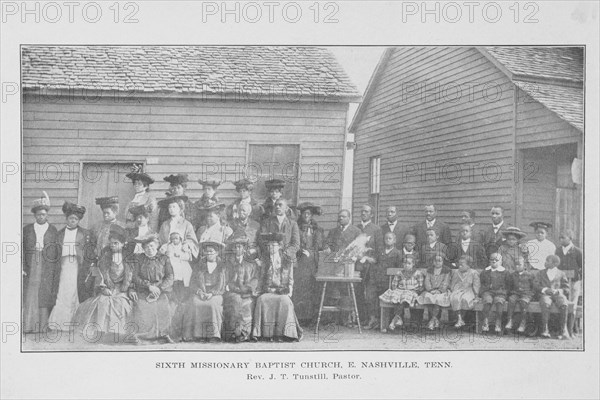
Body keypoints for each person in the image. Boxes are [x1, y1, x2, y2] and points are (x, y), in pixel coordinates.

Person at [72, 225, 134, 342]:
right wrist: (103, 287)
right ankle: (101, 332)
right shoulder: (105, 257)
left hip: (122, 289)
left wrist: (129, 288)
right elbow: (99, 275)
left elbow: (132, 276)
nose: (113, 246)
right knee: (102, 301)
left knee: (120, 304)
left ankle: (117, 333)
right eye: (111, 243)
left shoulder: (129, 258)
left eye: (116, 243)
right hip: (107, 287)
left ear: (123, 244)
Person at [48, 201, 96, 331]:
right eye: (70, 218)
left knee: (74, 290)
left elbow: (90, 253)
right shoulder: (59, 234)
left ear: (78, 220)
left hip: (77, 266)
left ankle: (75, 322)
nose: (73, 221)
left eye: (75, 219)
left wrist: (90, 266)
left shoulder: (85, 234)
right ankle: (59, 321)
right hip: (63, 266)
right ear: (66, 219)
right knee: (63, 291)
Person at [252, 232, 303, 342]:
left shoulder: (286, 260)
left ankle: (284, 333)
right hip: (268, 289)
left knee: (285, 301)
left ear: (279, 246)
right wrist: (258, 290)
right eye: (268, 245)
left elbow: (290, 278)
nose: (270, 247)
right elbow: (261, 278)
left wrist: (290, 291)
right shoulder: (264, 260)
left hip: (281, 290)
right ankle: (266, 333)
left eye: (273, 245)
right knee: (261, 300)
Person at [22, 192, 59, 333]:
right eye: (38, 215)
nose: (41, 217)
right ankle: (29, 325)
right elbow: (23, 249)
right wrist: (23, 266)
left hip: (47, 264)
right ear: (35, 216)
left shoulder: (52, 230)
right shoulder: (27, 229)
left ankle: (42, 326)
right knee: (31, 292)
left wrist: (53, 267)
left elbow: (56, 251)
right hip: (32, 262)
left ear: (47, 215)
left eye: (43, 214)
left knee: (44, 292)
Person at [130, 234, 174, 343]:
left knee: (164, 307)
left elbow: (170, 276)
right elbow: (135, 276)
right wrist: (148, 286)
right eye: (147, 247)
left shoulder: (164, 259)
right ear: (143, 248)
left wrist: (160, 288)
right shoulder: (139, 259)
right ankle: (143, 336)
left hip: (160, 291)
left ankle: (163, 334)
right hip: (144, 290)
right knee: (143, 308)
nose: (150, 249)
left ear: (157, 246)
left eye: (152, 246)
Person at [182, 241, 227, 342]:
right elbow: (192, 283)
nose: (209, 254)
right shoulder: (199, 265)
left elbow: (223, 285)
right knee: (195, 303)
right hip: (201, 292)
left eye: (211, 252)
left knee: (212, 304)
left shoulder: (222, 266)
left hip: (216, 293)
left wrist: (212, 293)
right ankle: (198, 334)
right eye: (207, 252)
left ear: (217, 253)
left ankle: (213, 335)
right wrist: (199, 292)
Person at [223, 234, 261, 342]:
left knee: (249, 303)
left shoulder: (251, 263)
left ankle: (247, 333)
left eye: (240, 247)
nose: (237, 249)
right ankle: (236, 333)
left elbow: (255, 278)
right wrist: (235, 289)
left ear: (244, 249)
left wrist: (248, 288)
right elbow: (225, 279)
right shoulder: (228, 263)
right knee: (236, 301)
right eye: (235, 247)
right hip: (233, 292)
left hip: (247, 292)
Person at [293, 202, 325, 325]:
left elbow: (321, 245)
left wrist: (324, 249)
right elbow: (292, 243)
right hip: (300, 263)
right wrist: (300, 251)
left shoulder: (318, 229)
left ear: (312, 215)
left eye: (309, 214)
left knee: (312, 290)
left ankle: (311, 318)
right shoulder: (296, 227)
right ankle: (299, 318)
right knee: (300, 289)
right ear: (301, 215)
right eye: (304, 213)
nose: (306, 216)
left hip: (314, 263)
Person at [364, 231, 402, 330]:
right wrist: (366, 258)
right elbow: (375, 261)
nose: (387, 240)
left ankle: (385, 322)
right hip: (376, 279)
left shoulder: (397, 253)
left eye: (390, 238)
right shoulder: (380, 251)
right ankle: (373, 319)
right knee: (370, 297)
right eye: (386, 238)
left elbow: (399, 269)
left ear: (394, 240)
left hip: (388, 281)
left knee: (386, 300)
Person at [379, 255, 424, 330]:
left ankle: (396, 319)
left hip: (412, 291)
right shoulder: (399, 273)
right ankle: (398, 318)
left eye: (409, 263)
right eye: (405, 263)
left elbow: (421, 286)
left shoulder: (417, 273)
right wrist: (398, 290)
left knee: (405, 296)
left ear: (413, 264)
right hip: (400, 291)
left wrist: (415, 290)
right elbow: (394, 285)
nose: (406, 265)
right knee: (396, 295)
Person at [535, 255, 570, 339]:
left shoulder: (561, 273)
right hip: (545, 294)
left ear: (555, 264)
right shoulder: (540, 273)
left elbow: (566, 288)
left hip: (557, 294)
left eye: (548, 261)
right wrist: (545, 289)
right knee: (545, 303)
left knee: (564, 303)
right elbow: (535, 285)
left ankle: (563, 331)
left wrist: (558, 291)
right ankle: (545, 330)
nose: (545, 262)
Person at [556, 229, 583, 335]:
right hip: (561, 283)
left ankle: (571, 330)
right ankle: (562, 329)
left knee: (572, 305)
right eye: (560, 238)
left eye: (563, 237)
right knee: (562, 303)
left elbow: (582, 267)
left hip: (574, 282)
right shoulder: (558, 251)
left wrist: (578, 279)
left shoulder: (577, 251)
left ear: (570, 239)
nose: (561, 239)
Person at [157, 195, 199, 259]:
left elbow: (192, 240)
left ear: (180, 208)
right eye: (170, 207)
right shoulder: (165, 224)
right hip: (167, 254)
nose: (171, 209)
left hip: (181, 254)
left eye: (174, 207)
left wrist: (187, 244)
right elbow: (160, 239)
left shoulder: (186, 224)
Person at [417, 255, 451, 330]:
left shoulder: (446, 270)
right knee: (428, 297)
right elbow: (427, 281)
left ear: (443, 261)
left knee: (438, 298)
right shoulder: (430, 270)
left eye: (439, 261)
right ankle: (433, 319)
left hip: (442, 291)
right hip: (431, 291)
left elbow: (446, 282)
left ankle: (434, 319)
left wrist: (440, 290)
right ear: (433, 261)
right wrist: (430, 290)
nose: (437, 262)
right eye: (435, 260)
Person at [479, 253, 509, 333]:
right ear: (489, 261)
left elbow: (508, 285)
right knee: (487, 301)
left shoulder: (505, 272)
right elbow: (482, 283)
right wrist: (483, 291)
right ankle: (485, 322)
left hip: (500, 292)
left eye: (496, 260)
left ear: (501, 262)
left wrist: (503, 292)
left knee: (499, 301)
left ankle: (498, 322)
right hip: (488, 292)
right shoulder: (485, 272)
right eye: (492, 260)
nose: (494, 261)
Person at [449, 255, 481, 328]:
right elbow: (453, 283)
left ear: (468, 265)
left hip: (469, 290)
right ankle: (459, 318)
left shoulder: (474, 273)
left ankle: (462, 319)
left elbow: (476, 285)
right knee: (455, 298)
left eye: (462, 265)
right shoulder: (456, 272)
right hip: (458, 290)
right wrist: (452, 291)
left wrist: (476, 295)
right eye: (459, 265)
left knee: (465, 299)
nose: (460, 266)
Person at [505, 257, 535, 333]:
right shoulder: (512, 275)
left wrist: (531, 294)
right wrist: (510, 293)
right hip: (515, 293)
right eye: (516, 265)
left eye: (519, 265)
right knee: (511, 299)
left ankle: (523, 322)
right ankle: (509, 320)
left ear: (524, 266)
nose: (517, 266)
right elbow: (509, 286)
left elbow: (533, 287)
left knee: (523, 302)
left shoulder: (529, 275)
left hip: (526, 294)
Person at [125, 165, 158, 232]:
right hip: (131, 229)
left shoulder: (150, 199)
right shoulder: (133, 198)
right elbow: (127, 216)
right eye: (135, 183)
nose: (136, 185)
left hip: (144, 230)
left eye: (139, 184)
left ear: (145, 186)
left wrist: (150, 232)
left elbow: (153, 218)